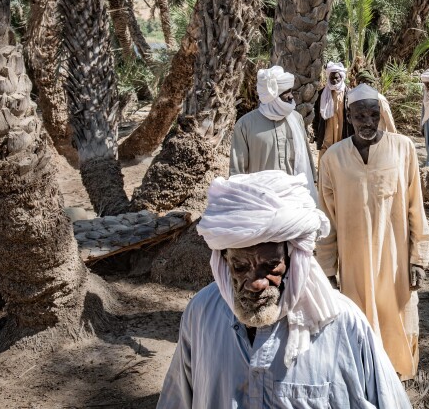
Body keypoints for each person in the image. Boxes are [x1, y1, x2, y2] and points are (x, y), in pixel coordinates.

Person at [157, 171, 412, 408]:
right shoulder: (202, 314)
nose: (256, 284)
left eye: (270, 266)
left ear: (293, 258)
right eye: (240, 267)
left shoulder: (342, 323)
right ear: (224, 261)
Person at [317, 84, 429, 380]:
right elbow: (326, 219)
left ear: (381, 114)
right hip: (353, 263)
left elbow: (415, 206)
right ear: (349, 117)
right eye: (360, 116)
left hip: (395, 260)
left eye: (373, 115)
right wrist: (327, 269)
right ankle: (366, 377)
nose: (368, 122)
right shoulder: (332, 159)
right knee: (357, 318)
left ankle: (396, 374)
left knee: (398, 315)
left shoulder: (403, 148)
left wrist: (418, 259)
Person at [229, 66, 316, 198]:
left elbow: (306, 159)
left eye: (290, 91)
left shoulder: (296, 119)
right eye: (285, 92)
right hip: (262, 200)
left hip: (295, 198)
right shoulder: (245, 125)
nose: (291, 96)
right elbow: (237, 173)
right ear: (272, 97)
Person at [313, 61, 353, 160]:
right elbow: (316, 115)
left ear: (342, 77)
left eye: (337, 78)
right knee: (325, 153)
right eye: (332, 78)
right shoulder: (322, 94)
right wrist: (316, 132)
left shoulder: (349, 94)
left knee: (342, 154)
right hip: (327, 130)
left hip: (343, 130)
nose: (334, 80)